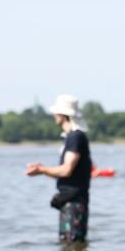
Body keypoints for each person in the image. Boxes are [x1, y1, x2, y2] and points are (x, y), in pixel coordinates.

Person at [25, 95, 92, 242]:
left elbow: (66, 170)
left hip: (74, 201)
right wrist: (41, 169)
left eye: (56, 112)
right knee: (69, 244)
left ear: (63, 115)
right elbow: (64, 173)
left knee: (72, 244)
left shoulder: (75, 137)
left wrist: (42, 170)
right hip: (70, 200)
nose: (54, 115)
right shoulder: (72, 137)